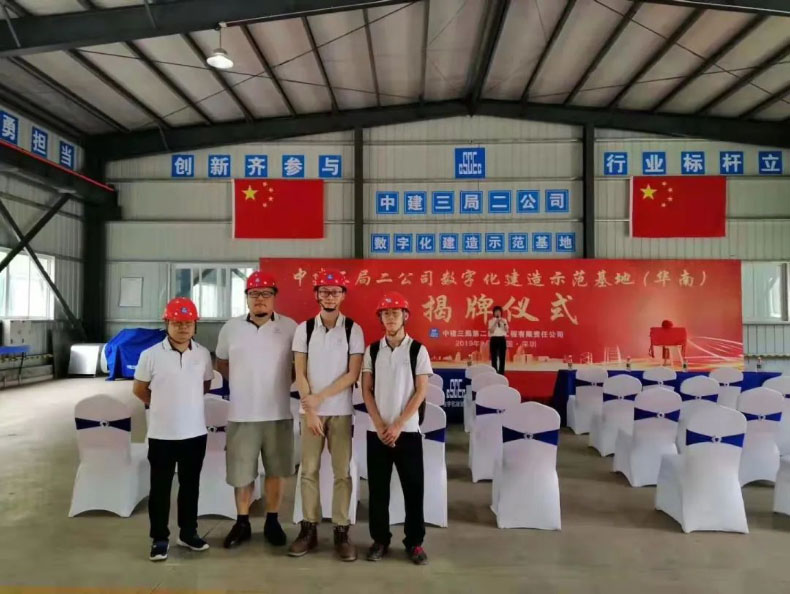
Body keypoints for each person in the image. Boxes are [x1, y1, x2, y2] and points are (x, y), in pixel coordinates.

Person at [215, 271, 297, 549]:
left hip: (278, 413)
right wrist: (242, 383)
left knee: (276, 470)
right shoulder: (231, 328)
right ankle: (242, 522)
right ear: (247, 298)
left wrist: (280, 384)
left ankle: (272, 520)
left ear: (274, 297)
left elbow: (298, 366)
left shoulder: (290, 327)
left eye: (265, 294)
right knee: (242, 473)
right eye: (254, 294)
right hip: (242, 414)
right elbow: (222, 362)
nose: (260, 299)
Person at [288, 269, 364, 562]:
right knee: (308, 470)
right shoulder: (304, 329)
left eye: (335, 292)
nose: (330, 296)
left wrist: (320, 398)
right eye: (324, 291)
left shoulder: (353, 330)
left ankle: (341, 530)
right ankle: (308, 528)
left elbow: (352, 374)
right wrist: (311, 410)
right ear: (316, 295)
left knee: (342, 472)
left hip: (340, 412)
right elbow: (300, 372)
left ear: (343, 295)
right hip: (310, 414)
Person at [132, 297, 214, 562]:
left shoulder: (202, 354)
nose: (183, 328)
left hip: (195, 433)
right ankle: (159, 538)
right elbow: (139, 390)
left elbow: (204, 385)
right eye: (177, 323)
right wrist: (164, 405)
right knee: (160, 489)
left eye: (188, 323)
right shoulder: (150, 355)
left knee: (190, 486)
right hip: (162, 435)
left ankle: (188, 533)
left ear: (195, 325)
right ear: (166, 323)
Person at [361, 291, 432, 566]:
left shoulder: (417, 350)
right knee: (378, 490)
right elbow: (366, 389)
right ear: (380, 318)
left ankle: (414, 542)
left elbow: (421, 390)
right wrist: (380, 424)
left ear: (405, 316)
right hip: (377, 432)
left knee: (414, 489)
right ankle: (380, 539)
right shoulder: (372, 350)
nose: (390, 318)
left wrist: (399, 424)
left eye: (395, 313)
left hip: (408, 432)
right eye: (385, 314)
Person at [488, 306, 509, 375]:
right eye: (496, 312)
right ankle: (494, 373)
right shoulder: (491, 321)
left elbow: (506, 330)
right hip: (494, 339)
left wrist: (503, 323)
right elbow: (491, 331)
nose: (497, 313)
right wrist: (495, 323)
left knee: (502, 357)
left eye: (499, 312)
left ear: (501, 313)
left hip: (502, 339)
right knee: (494, 357)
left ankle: (501, 373)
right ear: (494, 313)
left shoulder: (504, 320)